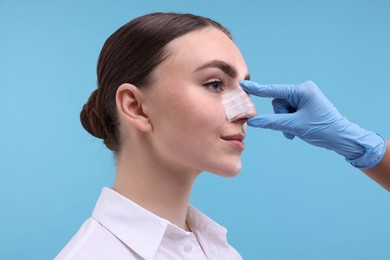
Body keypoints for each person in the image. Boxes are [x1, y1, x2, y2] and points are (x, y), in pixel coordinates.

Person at [56, 12, 389, 260]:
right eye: (215, 84)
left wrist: (364, 146)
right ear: (137, 107)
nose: (248, 110)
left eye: (243, 87)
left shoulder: (217, 249)